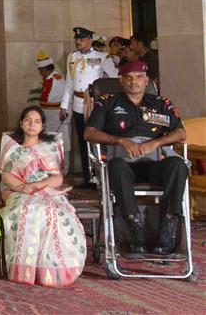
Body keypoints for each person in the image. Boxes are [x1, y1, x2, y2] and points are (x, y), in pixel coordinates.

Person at [83, 59, 187, 256]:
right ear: (121, 81)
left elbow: (181, 134)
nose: (134, 82)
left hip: (154, 164)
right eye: (128, 78)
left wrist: (155, 143)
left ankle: (168, 230)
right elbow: (89, 133)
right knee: (115, 166)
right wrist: (121, 141)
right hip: (123, 165)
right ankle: (134, 230)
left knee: (177, 165)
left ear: (146, 80)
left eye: (139, 77)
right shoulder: (107, 102)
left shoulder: (161, 104)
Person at [0, 105, 85, 286]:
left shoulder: (49, 147)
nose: (32, 124)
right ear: (21, 124)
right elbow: (6, 176)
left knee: (55, 211)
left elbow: (58, 178)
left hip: (46, 190)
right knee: (29, 210)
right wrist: (23, 187)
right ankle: (26, 270)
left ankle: (53, 267)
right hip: (19, 191)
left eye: (37, 121)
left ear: (42, 126)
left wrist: (38, 185)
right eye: (28, 120)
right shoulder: (13, 149)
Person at [59, 26, 116, 187]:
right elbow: (70, 83)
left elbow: (114, 79)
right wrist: (65, 105)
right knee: (83, 141)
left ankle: (101, 175)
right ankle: (88, 177)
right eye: (77, 39)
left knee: (97, 141)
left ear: (90, 39)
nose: (78, 42)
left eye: (82, 39)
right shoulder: (72, 56)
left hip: (94, 104)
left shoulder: (102, 57)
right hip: (78, 104)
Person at [35, 50, 68, 154]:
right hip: (48, 115)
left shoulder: (57, 79)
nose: (39, 72)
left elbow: (65, 98)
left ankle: (64, 168)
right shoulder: (47, 79)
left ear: (45, 68)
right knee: (49, 143)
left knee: (62, 142)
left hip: (57, 115)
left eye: (40, 69)